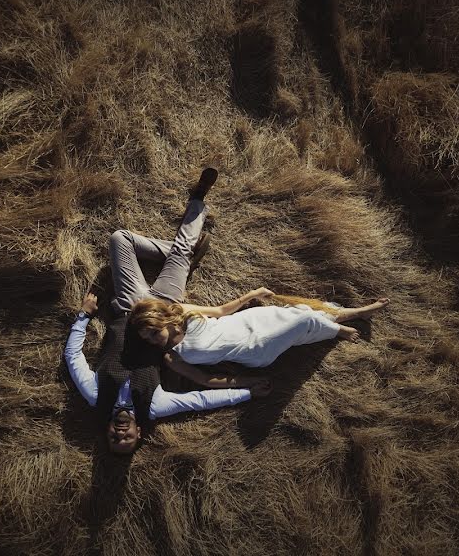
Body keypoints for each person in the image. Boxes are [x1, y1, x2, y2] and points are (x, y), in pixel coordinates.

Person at [63, 168, 270, 454]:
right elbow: (200, 398)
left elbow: (73, 356)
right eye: (128, 439)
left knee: (119, 239)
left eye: (114, 438)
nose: (121, 434)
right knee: (182, 250)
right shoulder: (155, 406)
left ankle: (180, 253)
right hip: (165, 309)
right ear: (140, 432)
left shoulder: (95, 395)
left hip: (127, 306)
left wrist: (84, 315)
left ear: (107, 430)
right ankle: (197, 203)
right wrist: (247, 392)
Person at [128, 291, 390, 376]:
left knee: (297, 316)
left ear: (161, 319)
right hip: (254, 348)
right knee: (304, 319)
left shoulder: (182, 311)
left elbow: (220, 311)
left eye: (152, 332)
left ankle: (352, 314)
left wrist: (251, 295)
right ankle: (342, 325)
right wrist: (247, 386)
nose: (153, 341)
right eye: (147, 340)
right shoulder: (173, 358)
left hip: (247, 321)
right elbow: (206, 382)